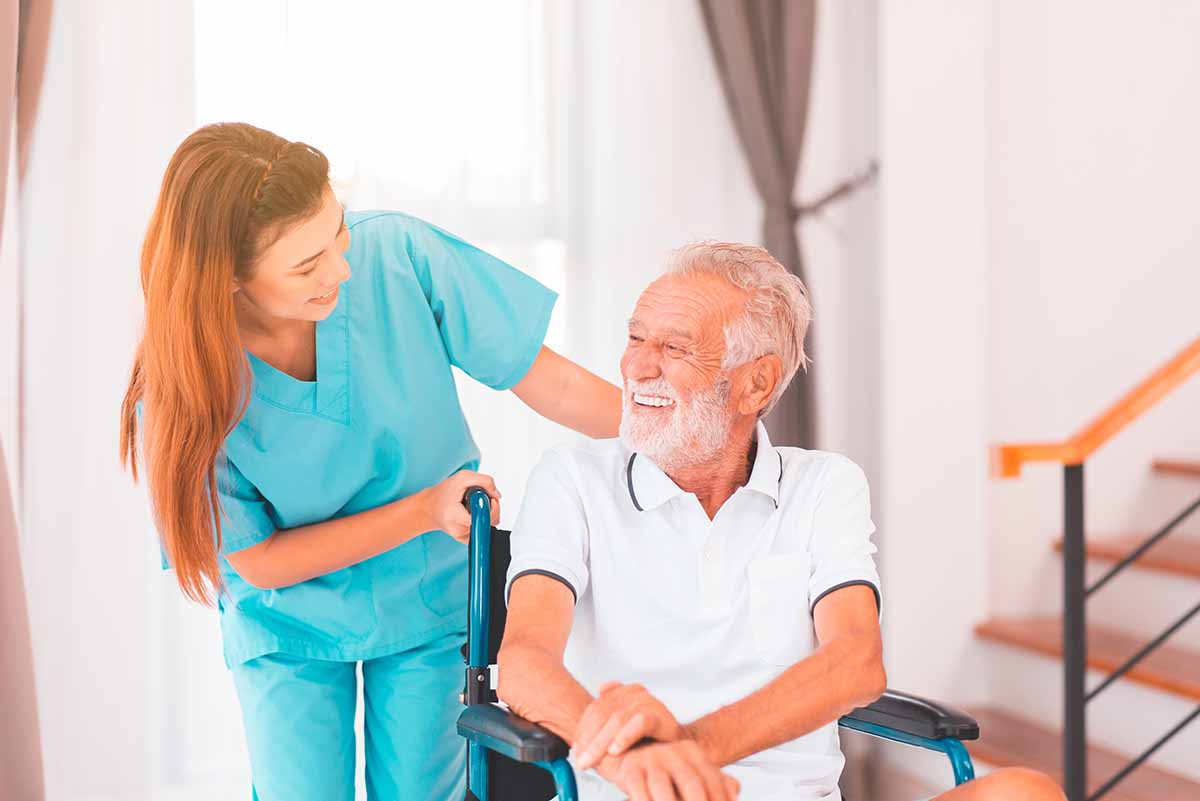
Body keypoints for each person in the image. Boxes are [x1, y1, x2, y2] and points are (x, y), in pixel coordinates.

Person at [119, 122, 622, 801]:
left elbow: (549, 380)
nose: (341, 271)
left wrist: (680, 431)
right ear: (229, 278)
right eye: (306, 266)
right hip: (286, 618)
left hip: (423, 597)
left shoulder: (399, 255)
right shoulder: (185, 388)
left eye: (338, 232)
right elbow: (260, 559)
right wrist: (423, 508)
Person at [498, 242, 1065, 801]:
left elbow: (856, 663)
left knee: (1024, 793)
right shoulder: (571, 479)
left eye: (674, 347)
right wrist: (636, 764)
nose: (637, 366)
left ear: (756, 384)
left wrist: (686, 749)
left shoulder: (824, 485)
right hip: (629, 795)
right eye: (635, 337)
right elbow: (524, 662)